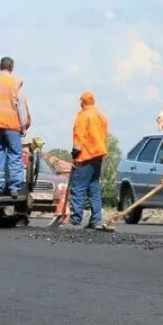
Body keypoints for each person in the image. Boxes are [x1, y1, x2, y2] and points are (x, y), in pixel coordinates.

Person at [0, 56, 31, 197]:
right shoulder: (16, 82)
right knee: (15, 155)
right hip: (12, 125)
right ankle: (14, 188)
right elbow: (21, 106)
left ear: (0, 66)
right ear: (11, 67)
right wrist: (23, 126)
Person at [68, 91, 109, 229]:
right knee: (94, 188)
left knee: (78, 188)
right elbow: (103, 136)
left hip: (85, 156)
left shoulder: (82, 116)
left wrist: (75, 154)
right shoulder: (101, 116)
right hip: (98, 155)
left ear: (83, 102)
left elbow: (79, 137)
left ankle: (75, 220)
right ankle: (96, 220)